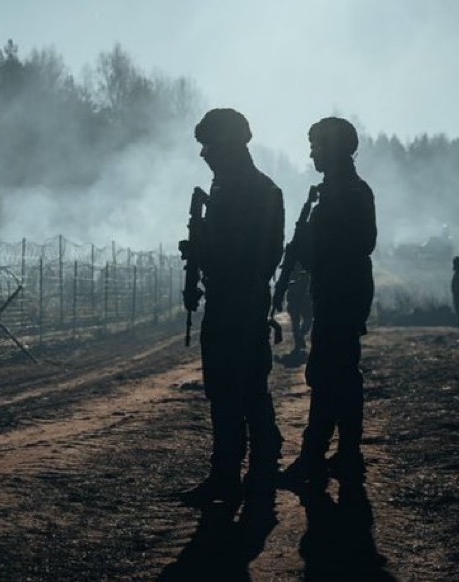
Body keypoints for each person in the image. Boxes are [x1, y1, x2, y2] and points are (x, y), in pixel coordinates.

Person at [186, 108, 285, 504]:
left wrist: (207, 253)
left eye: (209, 145)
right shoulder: (233, 188)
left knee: (239, 387)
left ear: (227, 146)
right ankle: (243, 470)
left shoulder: (254, 191)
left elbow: (259, 256)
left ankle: (243, 471)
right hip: (230, 298)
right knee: (230, 388)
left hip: (239, 301)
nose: (204, 154)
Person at [284, 117, 377, 487]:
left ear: (333, 149)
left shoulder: (351, 192)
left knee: (330, 373)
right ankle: (342, 455)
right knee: (333, 373)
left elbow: (360, 244)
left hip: (343, 291)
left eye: (317, 146)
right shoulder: (335, 190)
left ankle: (317, 457)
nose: (311, 153)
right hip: (335, 289)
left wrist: (309, 246)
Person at [284, 263, 313, 362]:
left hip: (295, 300)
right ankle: (300, 337)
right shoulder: (307, 271)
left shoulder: (290, 271)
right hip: (304, 299)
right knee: (307, 320)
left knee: (296, 323)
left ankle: (298, 342)